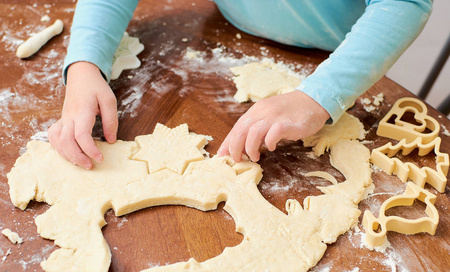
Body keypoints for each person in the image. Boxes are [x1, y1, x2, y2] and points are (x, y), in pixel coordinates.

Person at [48, 0, 433, 169]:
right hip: (225, 32)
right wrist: (84, 64)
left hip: (338, 58)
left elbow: (402, 2)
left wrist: (317, 97)